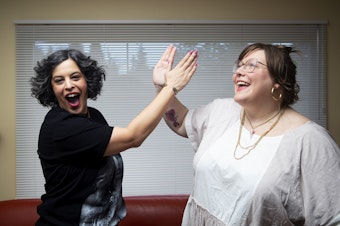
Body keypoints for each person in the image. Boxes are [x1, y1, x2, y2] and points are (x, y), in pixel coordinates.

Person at [153, 43, 340, 225]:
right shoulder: (222, 110)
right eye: (239, 65)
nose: (239, 72)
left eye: (251, 65)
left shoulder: (311, 141)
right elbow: (181, 122)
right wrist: (162, 87)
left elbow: (332, 218)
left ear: (279, 80)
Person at [30, 45, 197, 225]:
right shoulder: (60, 127)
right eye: (59, 80)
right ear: (51, 88)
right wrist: (170, 87)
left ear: (87, 80)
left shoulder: (93, 117)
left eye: (75, 77)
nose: (69, 85)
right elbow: (133, 137)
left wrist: (161, 86)